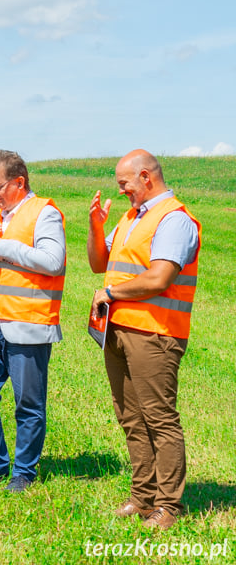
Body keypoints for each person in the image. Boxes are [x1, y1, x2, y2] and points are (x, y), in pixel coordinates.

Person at [88, 149, 200, 530]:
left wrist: (112, 294)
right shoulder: (131, 217)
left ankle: (168, 506)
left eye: (125, 184)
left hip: (155, 333)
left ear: (146, 177)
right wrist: (95, 226)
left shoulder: (174, 221)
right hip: (119, 331)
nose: (121, 191)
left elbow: (159, 279)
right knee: (131, 418)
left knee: (159, 419)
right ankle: (142, 496)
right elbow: (98, 264)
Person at [0, 149, 66, 493]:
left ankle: (24, 471)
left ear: (19, 183)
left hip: (28, 322)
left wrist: (4, 246)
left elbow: (53, 262)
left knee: (28, 405)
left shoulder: (45, 213)